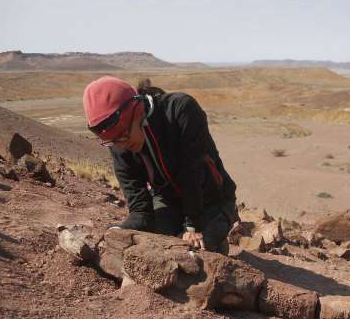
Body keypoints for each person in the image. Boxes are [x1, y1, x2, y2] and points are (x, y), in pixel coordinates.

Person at [83, 76, 238, 253]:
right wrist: (120, 231)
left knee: (195, 252)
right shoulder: (118, 143)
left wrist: (193, 226)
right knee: (155, 247)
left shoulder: (180, 109)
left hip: (211, 199)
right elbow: (140, 209)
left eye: (124, 136)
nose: (121, 146)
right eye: (111, 142)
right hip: (168, 200)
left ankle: (219, 238)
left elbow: (193, 172)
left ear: (138, 111)